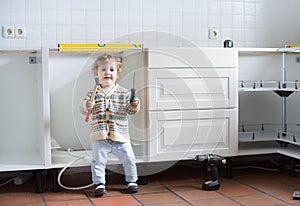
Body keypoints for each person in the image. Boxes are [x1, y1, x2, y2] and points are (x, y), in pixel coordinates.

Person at [80, 53, 140, 197]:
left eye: (112, 70)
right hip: (100, 135)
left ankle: (132, 181)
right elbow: (84, 108)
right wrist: (86, 105)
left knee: (129, 158)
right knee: (98, 161)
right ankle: (99, 183)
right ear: (97, 73)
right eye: (103, 70)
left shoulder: (124, 93)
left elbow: (131, 111)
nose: (108, 72)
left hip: (120, 134)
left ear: (117, 73)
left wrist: (134, 105)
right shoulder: (92, 93)